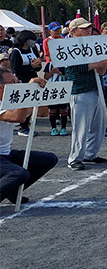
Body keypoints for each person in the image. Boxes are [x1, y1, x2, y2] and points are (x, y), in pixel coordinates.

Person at [0, 69, 57, 204]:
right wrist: (26, 89)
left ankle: (12, 191)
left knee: (49, 159)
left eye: (17, 81)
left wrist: (38, 92)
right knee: (19, 173)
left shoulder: (13, 100)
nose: (17, 84)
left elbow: (42, 113)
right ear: (1, 86)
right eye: (13, 82)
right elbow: (18, 117)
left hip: (5, 154)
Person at [65, 17, 107, 170]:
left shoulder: (92, 45)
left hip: (95, 88)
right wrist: (98, 65)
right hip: (79, 90)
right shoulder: (66, 46)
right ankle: (74, 158)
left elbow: (100, 69)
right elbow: (74, 68)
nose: (88, 30)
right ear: (73, 31)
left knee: (98, 125)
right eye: (84, 28)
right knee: (81, 127)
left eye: (89, 28)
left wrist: (102, 67)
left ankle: (90, 153)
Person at [9, 30, 42, 137]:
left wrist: (37, 66)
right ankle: (23, 127)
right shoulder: (16, 52)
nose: (32, 42)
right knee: (24, 104)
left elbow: (38, 67)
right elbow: (15, 69)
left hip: (33, 78)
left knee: (32, 104)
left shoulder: (33, 49)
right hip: (21, 80)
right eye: (30, 40)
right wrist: (30, 67)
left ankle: (26, 125)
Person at [42, 61, 69, 136]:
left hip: (62, 88)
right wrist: (52, 72)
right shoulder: (50, 64)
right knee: (53, 109)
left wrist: (60, 73)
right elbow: (46, 76)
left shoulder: (65, 64)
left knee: (63, 109)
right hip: (52, 88)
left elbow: (68, 76)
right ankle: (53, 128)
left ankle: (63, 128)